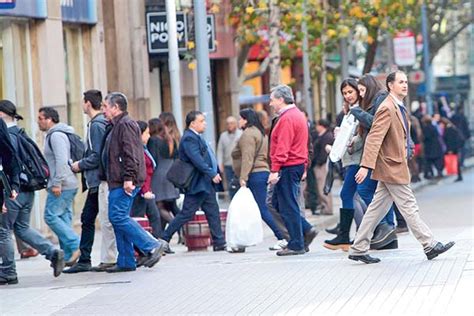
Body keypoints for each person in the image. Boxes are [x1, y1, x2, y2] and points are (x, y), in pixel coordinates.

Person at [349, 71, 454, 264]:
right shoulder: (387, 107)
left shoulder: (398, 106)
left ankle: (358, 248)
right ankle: (429, 244)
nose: (405, 85)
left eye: (406, 82)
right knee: (408, 206)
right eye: (400, 82)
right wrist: (365, 166)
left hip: (394, 164)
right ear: (390, 85)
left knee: (375, 210)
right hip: (391, 166)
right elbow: (374, 138)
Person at [101, 92, 166, 272]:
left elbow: (131, 153)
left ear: (115, 107)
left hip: (125, 181)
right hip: (118, 180)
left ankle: (151, 244)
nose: (103, 110)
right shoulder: (116, 125)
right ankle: (126, 261)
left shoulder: (126, 124)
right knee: (118, 218)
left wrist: (128, 178)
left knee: (117, 216)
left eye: (105, 107)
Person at [0, 104, 64, 285]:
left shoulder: (8, 136)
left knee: (3, 230)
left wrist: (8, 189)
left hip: (13, 191)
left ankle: (8, 271)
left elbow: (6, 166)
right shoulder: (21, 134)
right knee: (21, 227)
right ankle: (52, 252)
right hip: (27, 191)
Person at [63, 90, 117, 274]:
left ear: (87, 103)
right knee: (91, 218)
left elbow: (96, 156)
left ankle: (85, 259)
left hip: (97, 179)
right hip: (98, 179)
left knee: (92, 218)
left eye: (83, 102)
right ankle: (86, 258)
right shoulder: (101, 123)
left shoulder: (96, 125)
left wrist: (79, 165)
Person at [161, 111, 226, 251]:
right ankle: (164, 238)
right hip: (197, 183)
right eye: (202, 121)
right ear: (193, 123)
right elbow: (196, 159)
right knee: (186, 213)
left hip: (204, 183)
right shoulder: (189, 138)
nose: (205, 123)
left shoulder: (196, 136)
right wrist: (211, 173)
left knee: (212, 211)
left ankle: (219, 242)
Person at [268, 84, 317, 256]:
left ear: (281, 100)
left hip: (288, 166)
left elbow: (283, 146)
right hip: (294, 164)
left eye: (272, 100)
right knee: (279, 203)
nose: (270, 104)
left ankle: (297, 243)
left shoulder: (287, 118)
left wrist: (275, 170)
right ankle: (305, 230)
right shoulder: (297, 115)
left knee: (287, 205)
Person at [231, 108, 286, 252]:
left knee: (263, 208)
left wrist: (243, 178)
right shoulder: (260, 132)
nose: (239, 121)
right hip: (261, 172)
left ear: (246, 119)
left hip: (254, 174)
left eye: (240, 118)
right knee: (261, 207)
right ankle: (243, 241)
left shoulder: (248, 134)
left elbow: (247, 158)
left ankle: (282, 236)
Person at [38, 106, 81, 266]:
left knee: (50, 216)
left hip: (63, 184)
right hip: (67, 182)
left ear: (50, 119)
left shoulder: (56, 135)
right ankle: (70, 254)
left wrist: (56, 183)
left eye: (41, 118)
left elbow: (62, 161)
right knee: (63, 217)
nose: (38, 122)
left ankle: (76, 244)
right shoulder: (55, 134)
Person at [147, 118, 180, 239]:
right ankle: (162, 235)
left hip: (159, 174)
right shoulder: (168, 140)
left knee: (158, 206)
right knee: (169, 205)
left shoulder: (153, 140)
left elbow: (152, 158)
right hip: (170, 171)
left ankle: (174, 226)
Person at [130, 121, 163, 240]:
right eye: (146, 133)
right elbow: (140, 172)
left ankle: (157, 243)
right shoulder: (137, 151)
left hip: (147, 189)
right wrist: (144, 191)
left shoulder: (143, 149)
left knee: (154, 216)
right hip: (141, 191)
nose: (149, 136)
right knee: (139, 218)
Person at [312, 119, 334, 215]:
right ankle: (324, 206)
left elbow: (323, 153)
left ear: (321, 126)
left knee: (323, 187)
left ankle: (328, 208)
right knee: (320, 187)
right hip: (318, 164)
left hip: (323, 165)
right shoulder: (321, 136)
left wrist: (318, 161)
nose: (316, 128)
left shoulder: (327, 136)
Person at [217, 116, 242, 199]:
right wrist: (220, 163)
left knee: (239, 184)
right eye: (227, 124)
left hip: (239, 165)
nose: (229, 125)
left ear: (235, 124)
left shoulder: (241, 134)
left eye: (231, 123)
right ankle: (232, 200)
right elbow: (220, 150)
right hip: (228, 165)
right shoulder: (223, 136)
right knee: (230, 184)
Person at [440, 117, 465, 182]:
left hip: (453, 148)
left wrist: (450, 150)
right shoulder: (451, 127)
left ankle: (459, 175)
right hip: (455, 147)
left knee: (456, 161)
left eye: (441, 124)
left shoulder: (449, 129)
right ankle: (459, 175)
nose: (440, 126)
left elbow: (450, 141)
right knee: (457, 161)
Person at [421, 115, 444, 179]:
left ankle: (428, 174)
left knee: (428, 161)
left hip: (430, 147)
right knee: (436, 161)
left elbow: (426, 137)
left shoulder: (426, 128)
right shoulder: (434, 127)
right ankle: (438, 172)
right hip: (436, 145)